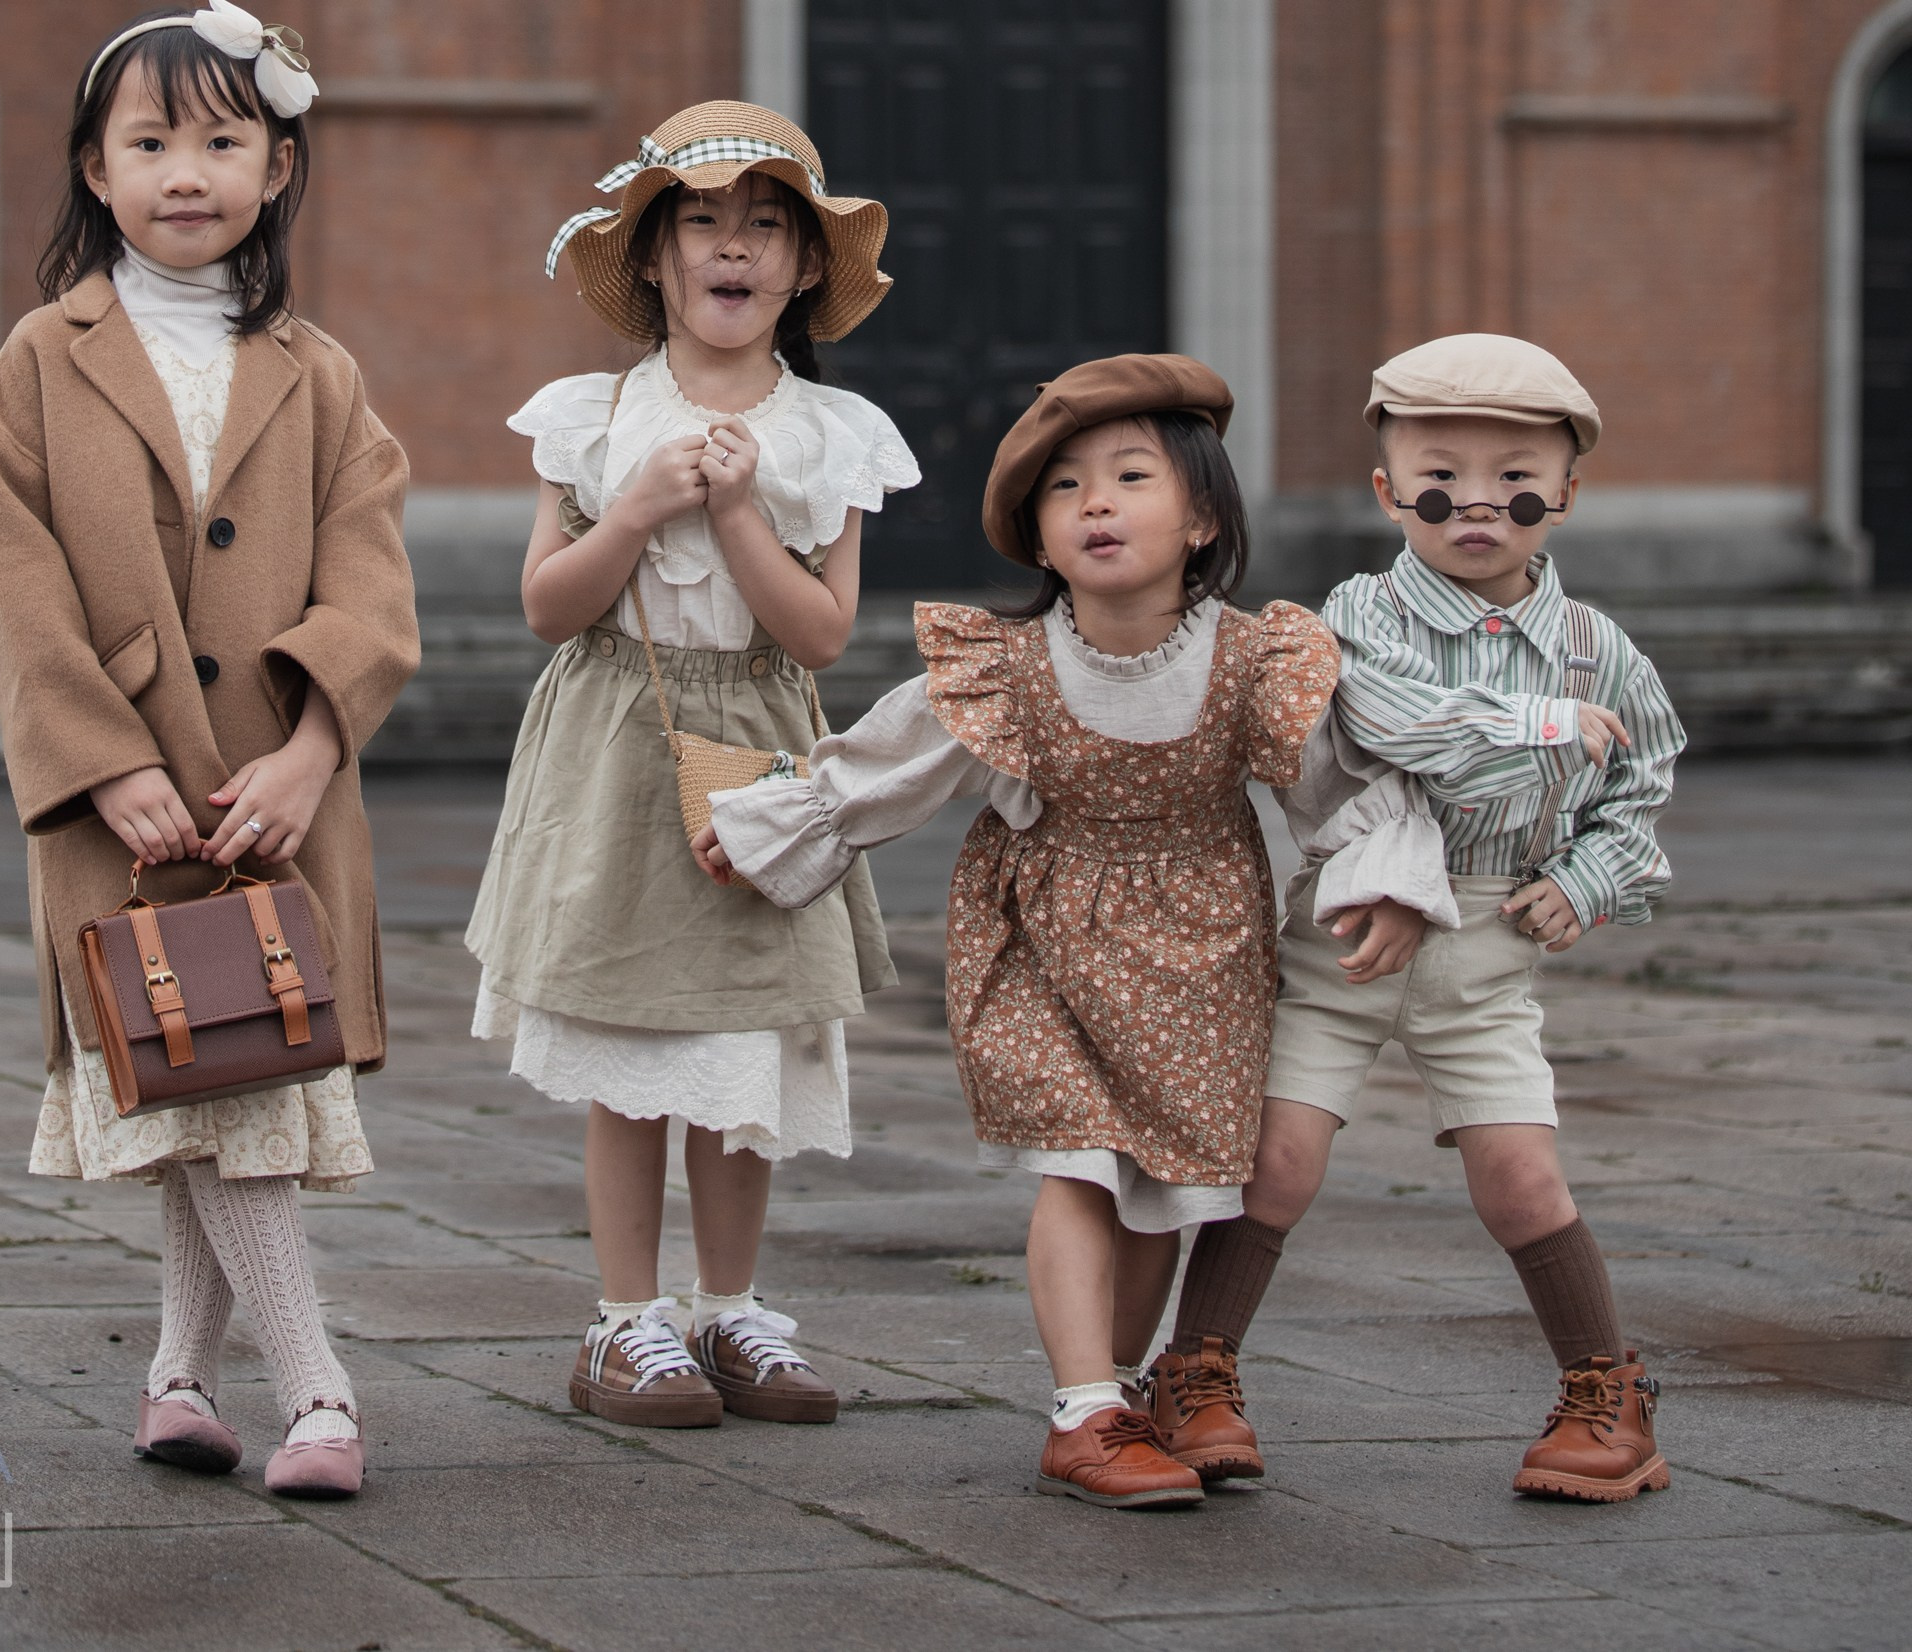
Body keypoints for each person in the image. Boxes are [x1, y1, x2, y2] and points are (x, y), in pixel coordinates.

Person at [699, 352, 1456, 1509]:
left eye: (1130, 476)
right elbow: (887, 765)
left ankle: (1127, 1388)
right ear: (1037, 540)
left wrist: (1388, 878)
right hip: (1041, 936)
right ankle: (1080, 1410)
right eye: (1063, 489)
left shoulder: (1259, 660)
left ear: (1202, 516)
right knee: (1079, 1161)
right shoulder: (1007, 668)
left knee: (1166, 1186)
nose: (1095, 503)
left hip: (1204, 952)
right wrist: (773, 827)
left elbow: (1340, 784)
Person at [0, 0, 418, 1501]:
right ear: (94, 170)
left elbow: (372, 577)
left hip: (270, 799)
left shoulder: (320, 371)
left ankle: (177, 1377)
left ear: (277, 166)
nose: (186, 172)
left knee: (219, 1081)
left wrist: (308, 750)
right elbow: (19, 583)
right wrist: (102, 760)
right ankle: (321, 1393)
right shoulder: (43, 359)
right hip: (130, 806)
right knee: (210, 1088)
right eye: (148, 140)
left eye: (224, 140)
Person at [465, 101, 919, 1427]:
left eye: (767, 226)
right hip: (618, 736)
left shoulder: (832, 438)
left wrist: (732, 510)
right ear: (655, 260)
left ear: (802, 270)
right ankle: (626, 1319)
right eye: (704, 224)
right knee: (630, 1032)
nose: (735, 248)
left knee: (745, 1036)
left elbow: (820, 634)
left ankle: (732, 1308)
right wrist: (645, 504)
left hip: (760, 744)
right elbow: (550, 605)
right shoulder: (595, 417)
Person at [1191, 332, 1684, 1505]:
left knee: (1520, 1179)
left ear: (1565, 492)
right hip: (1352, 928)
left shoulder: (1595, 651)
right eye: (1439, 474)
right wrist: (1537, 729)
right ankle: (1196, 1373)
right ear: (1385, 490)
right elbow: (1394, 724)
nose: (1476, 502)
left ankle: (1606, 1395)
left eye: (1513, 476)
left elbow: (1642, 789)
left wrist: (1587, 882)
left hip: (1489, 941)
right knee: (1277, 1162)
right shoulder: (1353, 617)